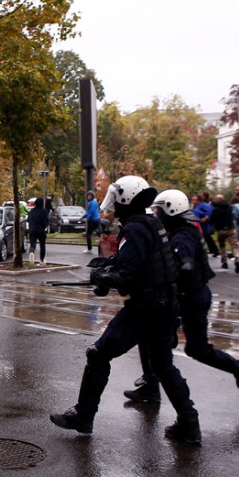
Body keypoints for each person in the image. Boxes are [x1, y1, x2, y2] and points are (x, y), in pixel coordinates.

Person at [50, 176, 200, 443]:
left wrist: (106, 279)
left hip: (145, 309)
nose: (114, 203)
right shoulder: (151, 222)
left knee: (98, 354)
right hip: (165, 305)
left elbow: (130, 275)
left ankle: (83, 416)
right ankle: (189, 424)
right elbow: (134, 260)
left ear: (126, 198)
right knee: (163, 366)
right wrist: (106, 265)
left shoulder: (133, 228)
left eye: (117, 196)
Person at [124, 189, 239, 407]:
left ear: (171, 211)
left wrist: (180, 269)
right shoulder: (180, 229)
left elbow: (184, 260)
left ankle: (156, 390)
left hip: (189, 298)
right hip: (193, 296)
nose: (156, 215)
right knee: (187, 346)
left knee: (158, 339)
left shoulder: (182, 235)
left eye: (159, 210)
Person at [210, 194, 239, 273]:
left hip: (221, 230)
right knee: (234, 246)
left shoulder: (216, 209)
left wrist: (212, 225)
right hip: (231, 229)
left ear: (219, 200)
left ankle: (224, 262)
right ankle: (237, 259)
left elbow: (212, 219)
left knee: (222, 245)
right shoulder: (230, 207)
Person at [26, 197, 49, 266]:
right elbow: (46, 221)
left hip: (32, 230)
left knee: (32, 244)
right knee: (42, 245)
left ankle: (31, 252)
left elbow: (28, 220)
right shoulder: (44, 211)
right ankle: (41, 260)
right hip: (41, 230)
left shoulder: (32, 211)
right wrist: (44, 226)